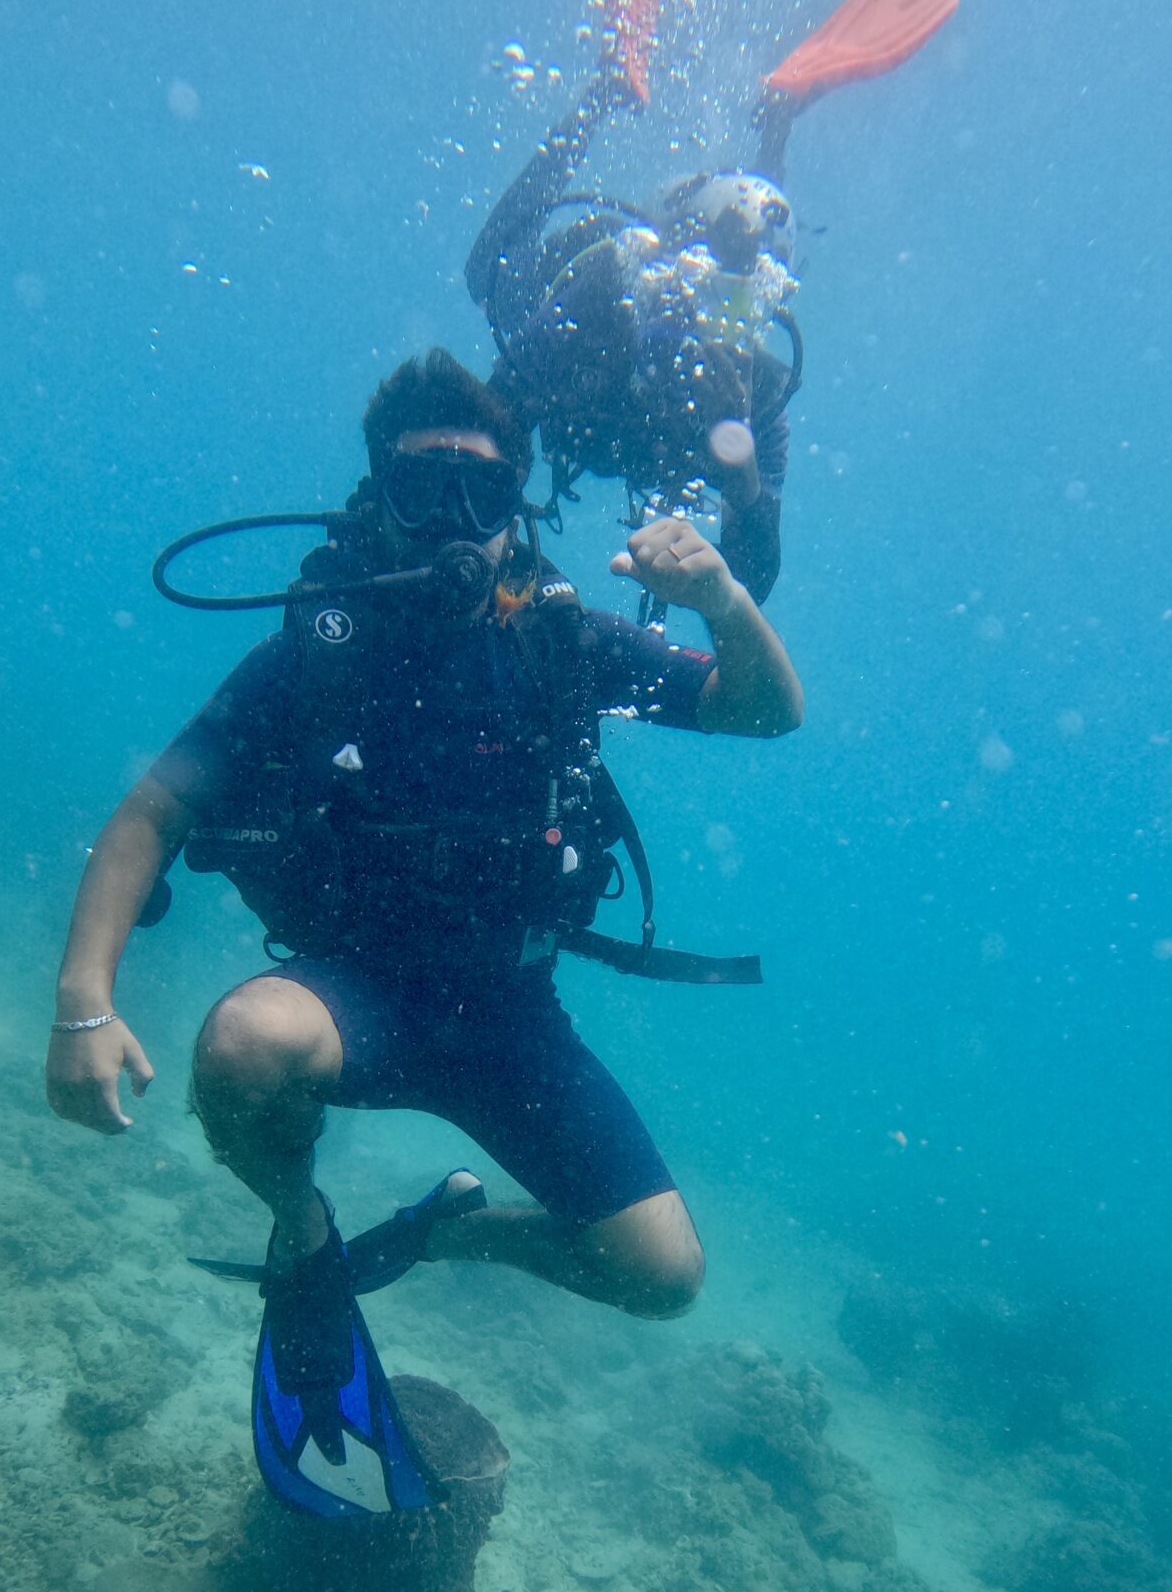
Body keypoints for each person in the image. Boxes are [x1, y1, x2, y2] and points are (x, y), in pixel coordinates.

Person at [45, 348, 801, 1516]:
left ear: (518, 512)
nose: (456, 524)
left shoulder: (561, 640)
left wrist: (721, 597)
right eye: (422, 492)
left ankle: (449, 1233)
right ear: (374, 503)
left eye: (484, 496)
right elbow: (150, 813)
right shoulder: (314, 652)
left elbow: (761, 710)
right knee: (241, 1045)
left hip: (511, 1020)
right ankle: (300, 1228)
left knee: (662, 1280)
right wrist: (82, 1003)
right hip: (354, 997)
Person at [468, 0, 958, 606]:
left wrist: (742, 475)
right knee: (489, 270)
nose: (700, 332)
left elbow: (751, 584)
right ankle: (607, 92)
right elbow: (489, 412)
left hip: (647, 362)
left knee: (743, 243)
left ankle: (777, 116)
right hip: (569, 285)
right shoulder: (596, 306)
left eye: (734, 308)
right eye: (691, 301)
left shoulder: (752, 399)